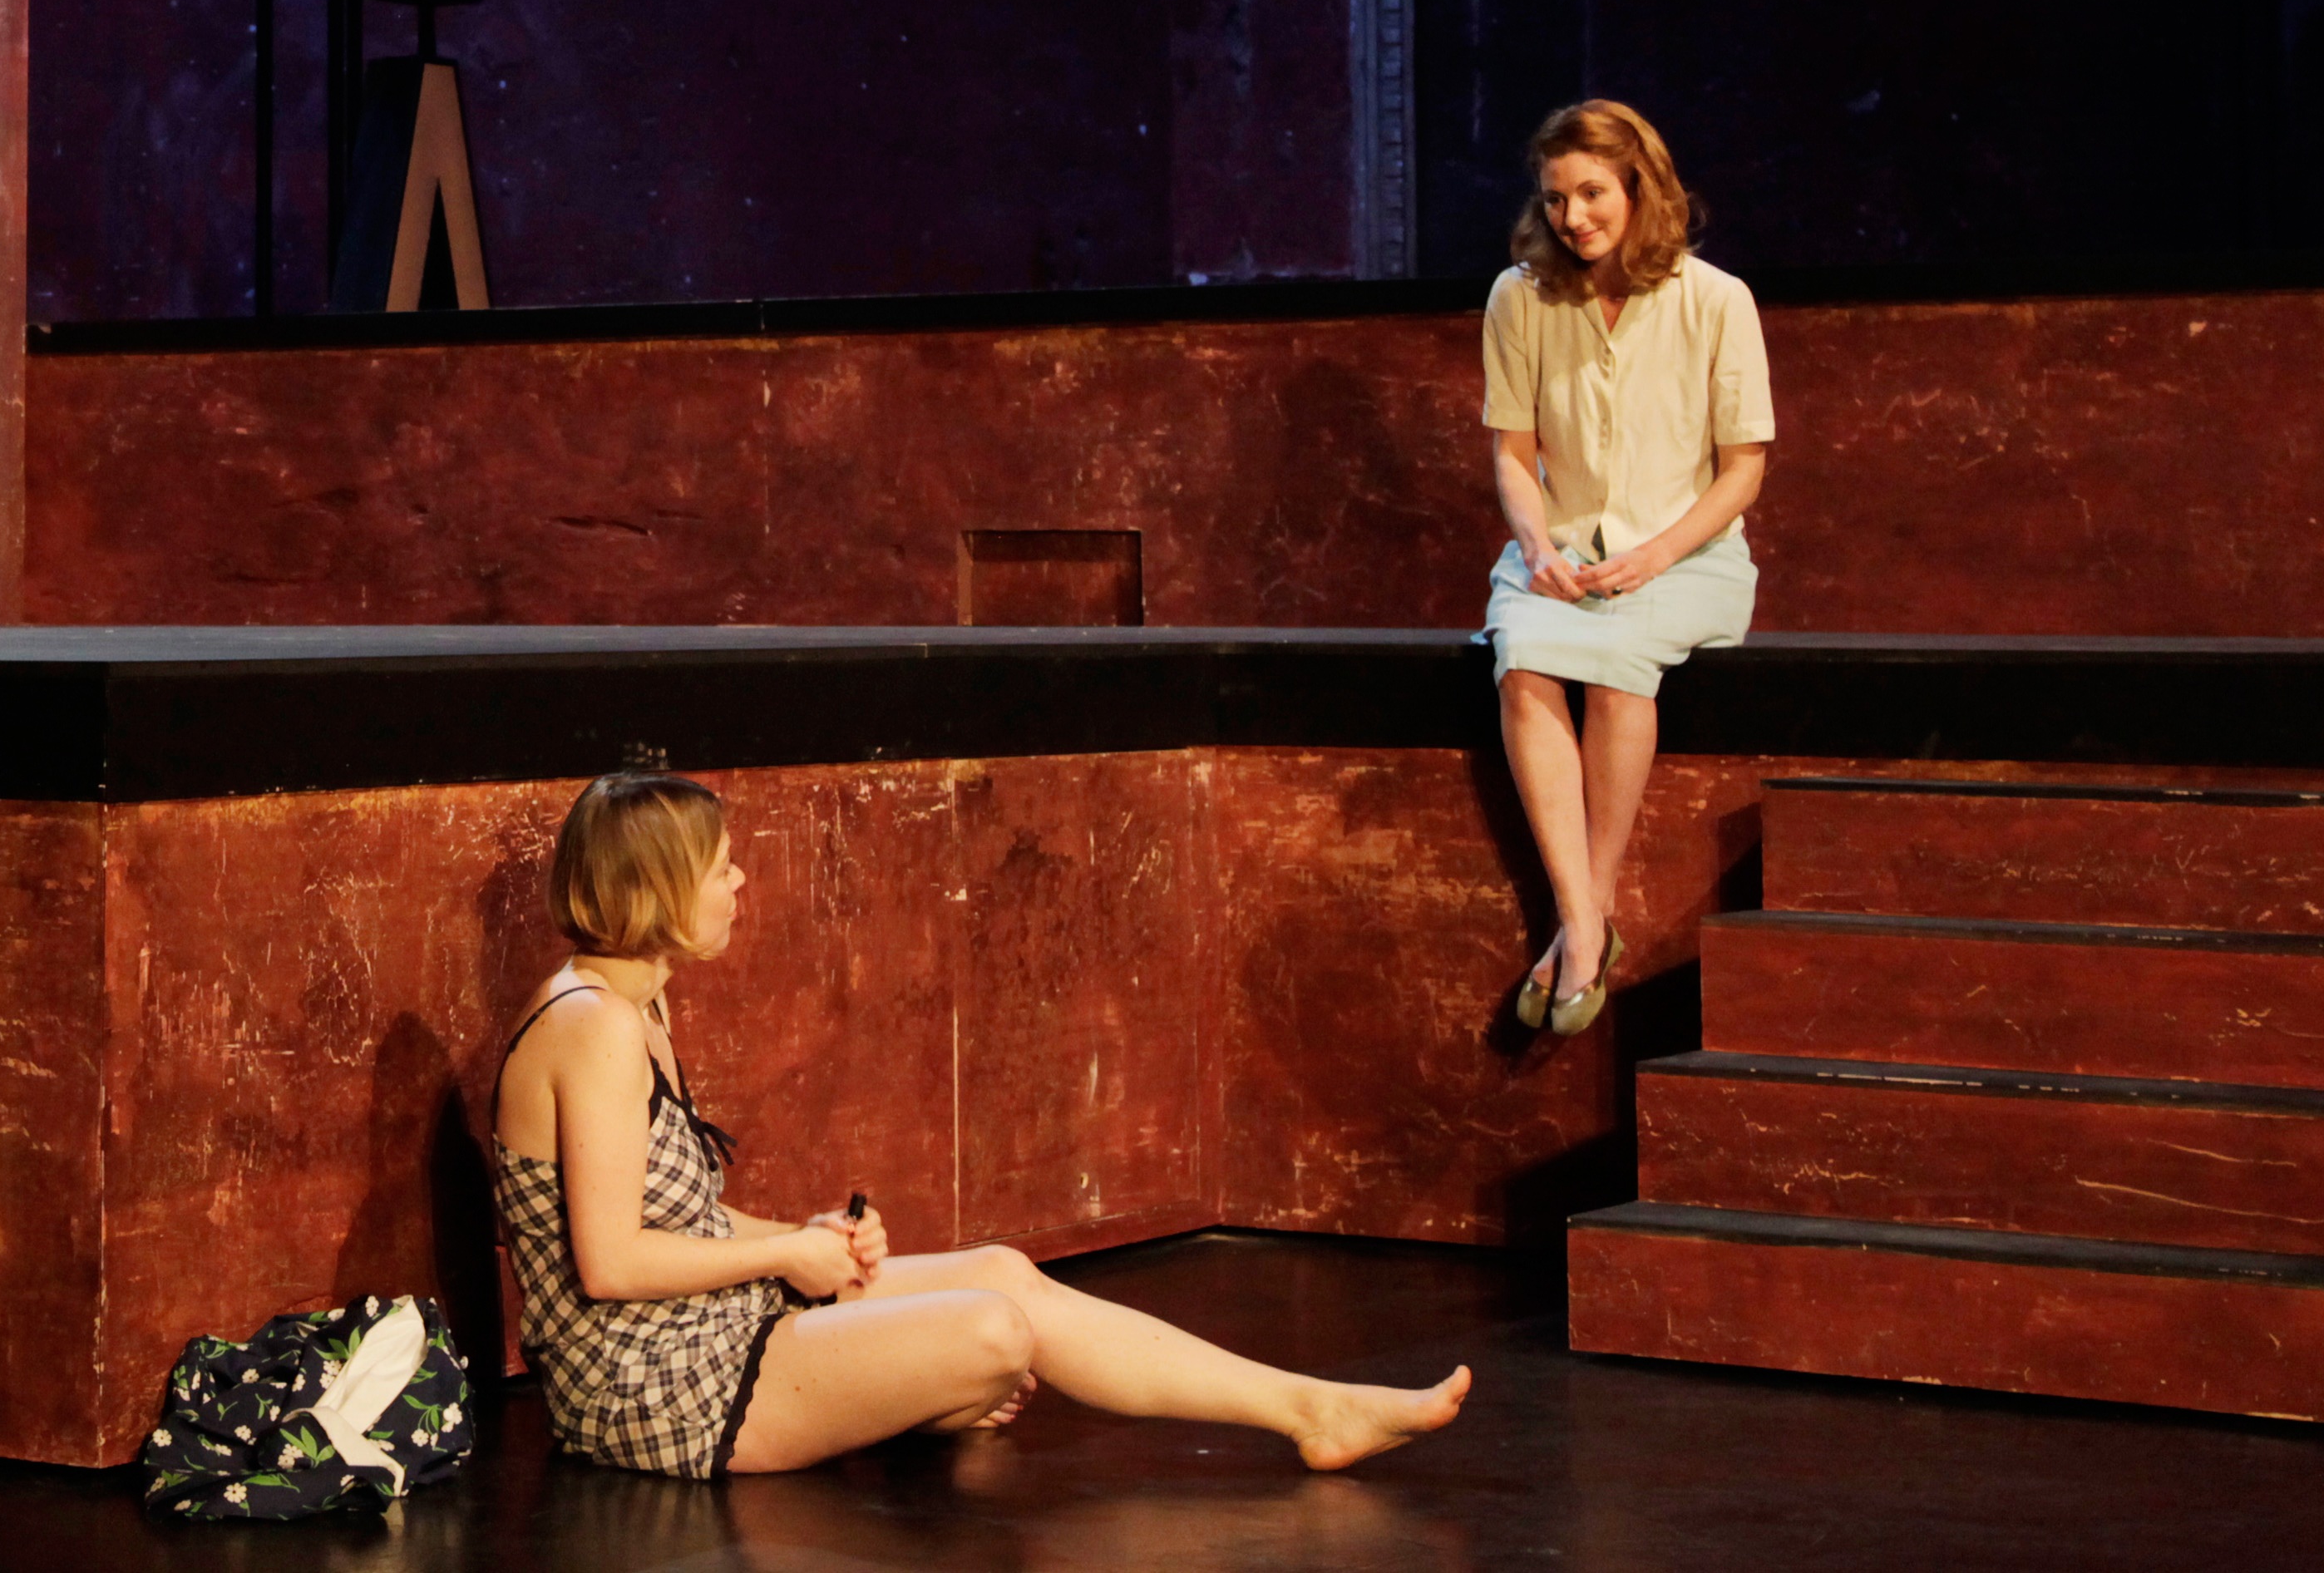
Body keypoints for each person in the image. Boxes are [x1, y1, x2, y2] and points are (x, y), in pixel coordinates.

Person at [490, 769, 1472, 1479]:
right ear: (657, 891)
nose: (740, 883)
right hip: (647, 1386)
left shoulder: (635, 1000)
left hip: (698, 1328)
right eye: (720, 870)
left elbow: (677, 1218)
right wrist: (786, 1255)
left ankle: (1310, 1408)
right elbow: (611, 1265)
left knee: (1000, 1271)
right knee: (994, 1334)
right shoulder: (594, 1028)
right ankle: (924, 1388)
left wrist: (808, 1237)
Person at [1480, 98, 1774, 1038]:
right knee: (1522, 660)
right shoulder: (1519, 297)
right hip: (1562, 550)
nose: (1572, 217)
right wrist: (1536, 546)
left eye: (1592, 193)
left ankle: (1582, 917)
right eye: (1555, 197)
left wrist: (1654, 555)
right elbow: (1513, 453)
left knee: (1614, 672)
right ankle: (1585, 922)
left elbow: (1742, 471)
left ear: (1640, 188)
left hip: (1687, 556)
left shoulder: (1716, 299)